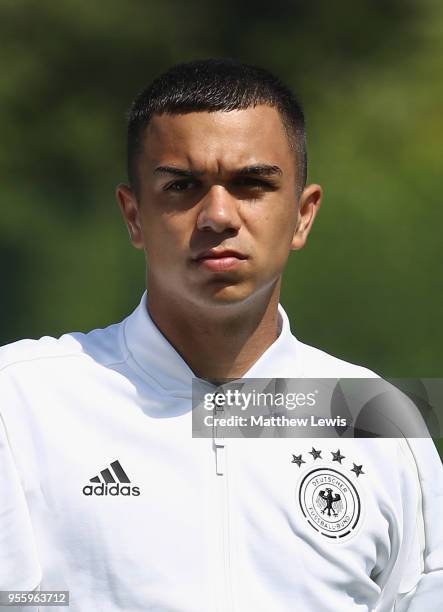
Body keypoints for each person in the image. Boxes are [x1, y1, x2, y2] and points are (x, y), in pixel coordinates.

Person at [0, 59, 442, 612]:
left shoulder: (375, 418)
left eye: (252, 184)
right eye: (182, 186)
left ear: (303, 216)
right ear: (133, 215)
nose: (218, 215)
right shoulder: (21, 405)